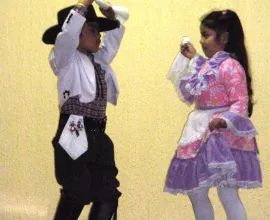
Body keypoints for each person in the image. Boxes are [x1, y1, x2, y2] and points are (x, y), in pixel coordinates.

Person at [164, 9, 262, 220]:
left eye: (206, 35)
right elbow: (196, 86)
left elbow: (240, 102)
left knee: (227, 192)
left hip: (222, 135)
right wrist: (192, 58)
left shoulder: (231, 66)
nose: (201, 40)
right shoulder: (207, 65)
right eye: (201, 35)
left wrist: (225, 121)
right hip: (198, 129)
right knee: (196, 191)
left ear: (223, 37)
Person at [42, 0, 126, 219]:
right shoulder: (65, 59)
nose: (99, 36)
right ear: (77, 32)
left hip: (98, 136)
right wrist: (83, 5)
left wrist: (111, 17)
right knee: (76, 192)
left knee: (107, 194)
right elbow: (67, 37)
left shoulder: (98, 60)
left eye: (99, 31)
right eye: (92, 30)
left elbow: (113, 41)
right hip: (74, 131)